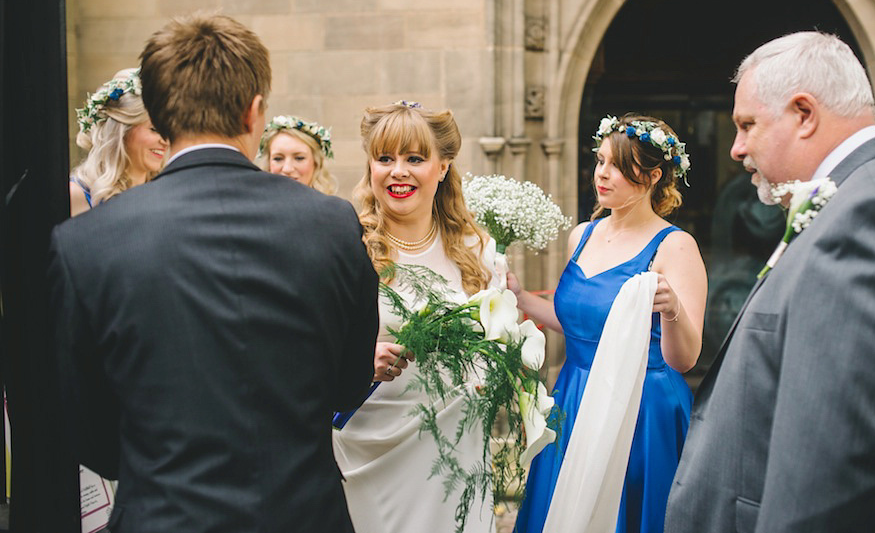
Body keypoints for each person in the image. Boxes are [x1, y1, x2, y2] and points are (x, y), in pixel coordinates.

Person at [49, 13, 379, 533]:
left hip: (164, 514)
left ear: (158, 114)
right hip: (301, 514)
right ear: (254, 113)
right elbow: (349, 381)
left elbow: (81, 421)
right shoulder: (332, 225)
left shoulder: (87, 241)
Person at [664, 32, 875, 533]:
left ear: (804, 114)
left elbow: (831, 479)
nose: (736, 149)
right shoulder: (861, 199)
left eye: (747, 125)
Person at [512, 114, 707, 533]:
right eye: (600, 161)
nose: (603, 173)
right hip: (575, 393)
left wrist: (672, 309)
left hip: (642, 404)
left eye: (619, 166)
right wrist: (522, 298)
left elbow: (687, 359)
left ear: (654, 175)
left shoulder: (676, 246)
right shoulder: (582, 235)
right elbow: (580, 325)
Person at [332, 101, 501, 533]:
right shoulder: (348, 247)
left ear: (442, 168)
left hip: (455, 448)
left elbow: (499, 343)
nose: (398, 171)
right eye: (385, 158)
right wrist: (358, 361)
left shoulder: (476, 251)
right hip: (368, 447)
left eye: (415, 159)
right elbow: (309, 346)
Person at [70, 67, 168, 216]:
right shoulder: (77, 195)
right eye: (154, 129)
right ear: (122, 131)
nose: (166, 141)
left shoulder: (166, 191)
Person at [258, 114, 337, 193]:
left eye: (299, 158)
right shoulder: (253, 204)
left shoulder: (335, 205)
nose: (287, 169)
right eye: (278, 158)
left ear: (316, 163)